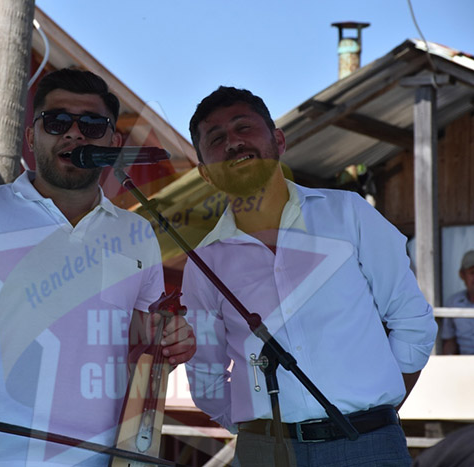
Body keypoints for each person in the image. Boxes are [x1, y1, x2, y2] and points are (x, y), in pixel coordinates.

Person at [0, 68, 196, 466]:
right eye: (57, 122)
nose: (74, 134)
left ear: (113, 143)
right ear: (32, 137)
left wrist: (173, 342)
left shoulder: (138, 233)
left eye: (91, 125)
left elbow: (145, 345)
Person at [181, 86, 437, 466]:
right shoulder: (203, 263)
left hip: (369, 445)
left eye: (243, 127)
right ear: (206, 173)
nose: (233, 143)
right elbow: (205, 374)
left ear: (279, 141)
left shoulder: (348, 213)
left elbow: (412, 321)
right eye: (216, 139)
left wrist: (378, 408)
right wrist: (257, 429)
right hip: (264, 453)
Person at [441, 250, 474, 354]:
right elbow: (450, 342)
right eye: (472, 272)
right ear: (462, 275)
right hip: (463, 361)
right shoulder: (453, 303)